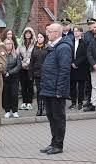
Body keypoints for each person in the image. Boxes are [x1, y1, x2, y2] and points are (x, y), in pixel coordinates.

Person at [39, 23, 72, 154]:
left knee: (58, 117)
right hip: (48, 88)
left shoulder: (63, 48)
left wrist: (60, 90)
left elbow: (64, 71)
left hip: (56, 90)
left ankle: (58, 145)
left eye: (49, 31)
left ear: (57, 33)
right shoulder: (52, 47)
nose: (47, 33)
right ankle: (53, 142)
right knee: (51, 117)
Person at [16, 27, 36, 110]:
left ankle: (29, 102)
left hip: (30, 68)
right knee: (23, 86)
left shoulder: (34, 44)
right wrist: (22, 63)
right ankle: (24, 102)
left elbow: (34, 55)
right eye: (26, 33)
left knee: (30, 85)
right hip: (22, 68)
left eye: (29, 33)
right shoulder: (21, 44)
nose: (27, 35)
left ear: (31, 34)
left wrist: (27, 63)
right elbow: (17, 55)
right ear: (24, 34)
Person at [30, 32, 48, 116]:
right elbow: (32, 62)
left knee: (44, 91)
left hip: (45, 73)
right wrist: (31, 74)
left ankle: (44, 108)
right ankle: (39, 109)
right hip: (37, 73)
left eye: (41, 37)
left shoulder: (47, 48)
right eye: (38, 37)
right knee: (39, 92)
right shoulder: (35, 48)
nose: (39, 38)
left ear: (44, 38)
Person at [69, 26, 87, 110]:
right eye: (74, 31)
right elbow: (69, 53)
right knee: (72, 86)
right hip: (71, 67)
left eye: (77, 31)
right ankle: (73, 102)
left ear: (81, 32)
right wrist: (72, 62)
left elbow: (84, 55)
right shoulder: (70, 42)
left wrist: (76, 63)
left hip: (81, 67)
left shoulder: (84, 42)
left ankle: (80, 102)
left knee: (81, 86)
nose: (75, 32)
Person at [2, 39, 22, 118]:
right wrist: (4, 72)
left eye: (10, 43)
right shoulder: (2, 55)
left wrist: (9, 72)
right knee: (6, 94)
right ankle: (7, 111)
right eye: (7, 44)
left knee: (14, 94)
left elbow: (18, 66)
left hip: (14, 78)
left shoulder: (16, 54)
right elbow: (0, 64)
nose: (8, 45)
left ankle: (14, 111)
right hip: (4, 78)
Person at [83, 18, 96, 107]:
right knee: (89, 82)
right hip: (89, 62)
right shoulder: (88, 35)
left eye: (92, 25)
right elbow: (88, 44)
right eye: (89, 25)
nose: (90, 27)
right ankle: (89, 100)